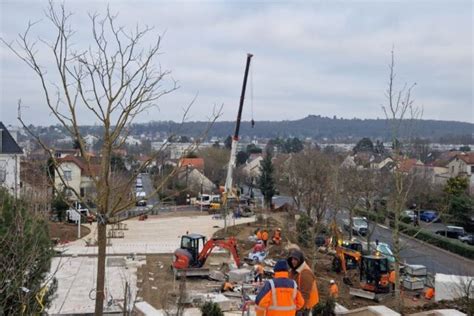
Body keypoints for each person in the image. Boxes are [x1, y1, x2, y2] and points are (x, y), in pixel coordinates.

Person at [287, 249, 319, 315]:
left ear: (300, 260)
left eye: (295, 259)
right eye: (292, 259)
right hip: (296, 302)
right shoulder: (294, 270)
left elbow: (305, 295)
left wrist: (299, 310)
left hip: (305, 307)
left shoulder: (306, 274)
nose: (293, 261)